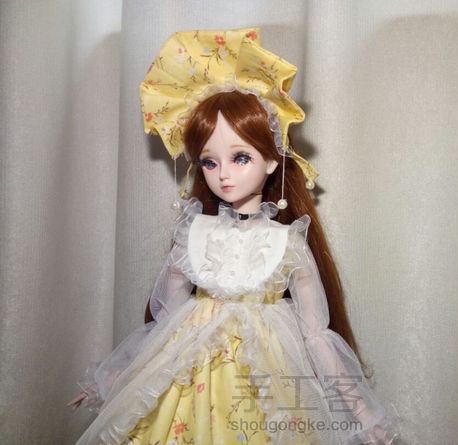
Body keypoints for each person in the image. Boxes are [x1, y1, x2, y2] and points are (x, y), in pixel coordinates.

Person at [68, 28, 399, 445]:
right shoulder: (193, 234)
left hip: (267, 384)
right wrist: (112, 377)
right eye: (209, 162)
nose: (223, 174)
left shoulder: (287, 242)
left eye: (240, 157)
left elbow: (316, 336)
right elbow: (164, 323)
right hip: (188, 380)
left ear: (272, 160)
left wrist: (363, 414)